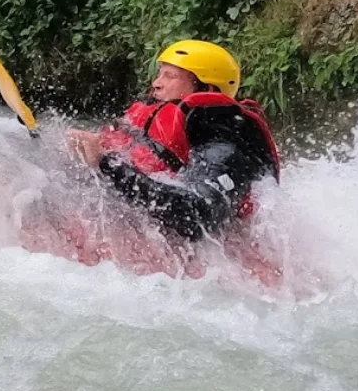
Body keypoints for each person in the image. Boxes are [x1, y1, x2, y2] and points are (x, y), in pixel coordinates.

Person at [66, 40, 280, 241]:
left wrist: (107, 165)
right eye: (160, 74)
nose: (156, 83)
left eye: (170, 76)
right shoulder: (158, 121)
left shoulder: (225, 143)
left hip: (213, 259)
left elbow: (199, 215)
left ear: (207, 89)